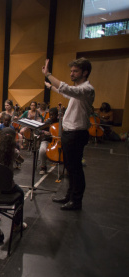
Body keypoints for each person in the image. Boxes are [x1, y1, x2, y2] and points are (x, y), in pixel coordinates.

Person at [43, 58, 94, 210]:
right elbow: (66, 93)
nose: (71, 73)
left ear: (85, 72)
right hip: (69, 133)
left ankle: (76, 201)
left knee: (75, 169)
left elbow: (68, 90)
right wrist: (51, 87)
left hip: (76, 134)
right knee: (70, 168)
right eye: (71, 71)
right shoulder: (78, 91)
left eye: (75, 71)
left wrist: (48, 74)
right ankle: (69, 196)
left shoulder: (87, 89)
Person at [38, 108, 59, 175]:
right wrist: (44, 132)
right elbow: (37, 130)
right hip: (47, 140)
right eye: (50, 115)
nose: (51, 117)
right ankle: (43, 166)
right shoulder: (47, 122)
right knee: (42, 150)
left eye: (53, 115)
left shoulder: (60, 122)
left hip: (57, 141)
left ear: (57, 115)